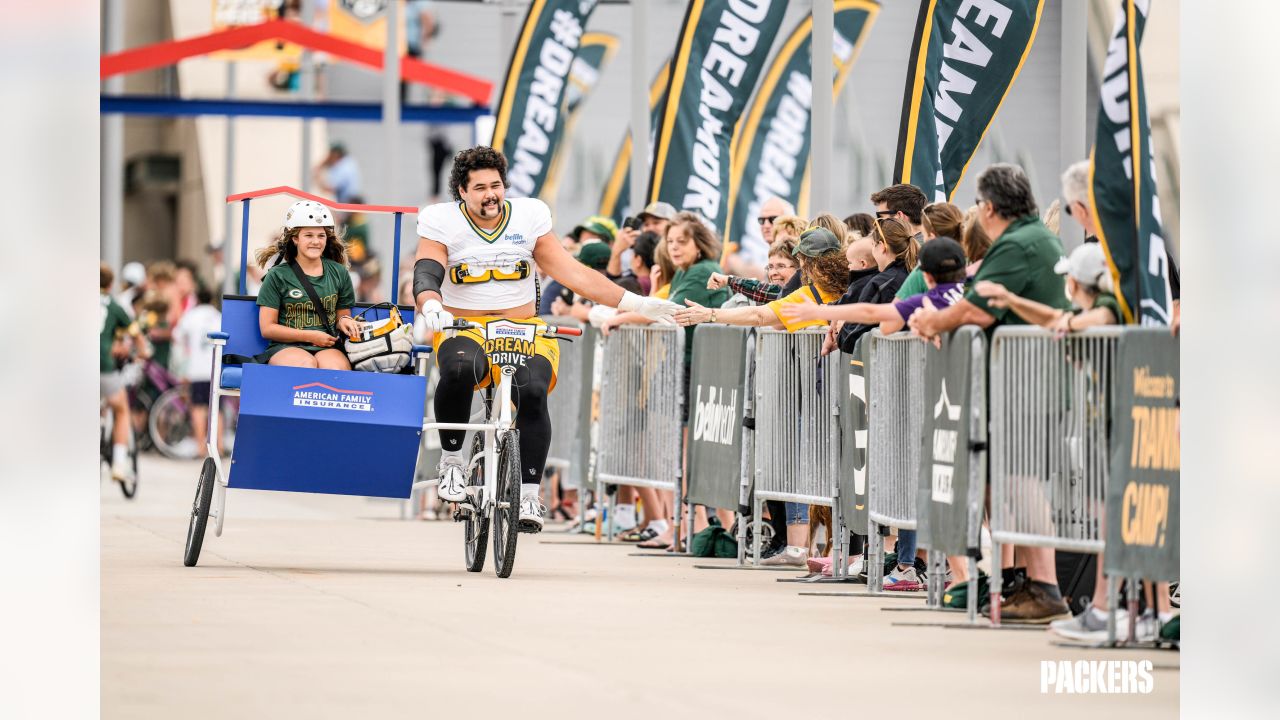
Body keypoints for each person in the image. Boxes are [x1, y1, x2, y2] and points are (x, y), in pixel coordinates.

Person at [412, 146, 678, 532]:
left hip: (521, 327)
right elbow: (427, 269)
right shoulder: (441, 220)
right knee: (457, 368)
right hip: (466, 325)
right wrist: (431, 303)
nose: (491, 194)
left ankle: (529, 495)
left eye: (497, 185)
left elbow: (575, 274)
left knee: (533, 389)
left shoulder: (529, 216)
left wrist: (638, 302)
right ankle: (452, 463)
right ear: (462, 193)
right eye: (481, 187)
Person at [908, 163, 1072, 624]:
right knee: (1010, 488)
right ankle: (1024, 581)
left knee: (1022, 488)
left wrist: (931, 321)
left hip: (1026, 384)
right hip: (1022, 382)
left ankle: (1044, 586)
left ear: (988, 207)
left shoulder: (1019, 243)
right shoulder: (1031, 238)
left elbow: (975, 309)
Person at [673, 227, 851, 567]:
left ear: (808, 263)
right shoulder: (852, 283)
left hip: (824, 394)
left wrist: (709, 315)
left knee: (808, 469)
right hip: (836, 392)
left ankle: (813, 549)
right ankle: (837, 552)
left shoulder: (815, 292)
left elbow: (761, 315)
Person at [782, 237, 967, 338]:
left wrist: (819, 312)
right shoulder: (973, 292)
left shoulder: (926, 301)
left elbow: (872, 314)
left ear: (924, 275)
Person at [253, 200, 359, 369]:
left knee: (336, 369)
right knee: (306, 365)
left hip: (327, 345)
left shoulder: (340, 273)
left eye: (321, 236)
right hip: (285, 347)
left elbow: (341, 316)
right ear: (295, 238)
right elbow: (267, 328)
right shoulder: (277, 275)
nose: (316, 241)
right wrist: (310, 336)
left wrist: (345, 322)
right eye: (309, 235)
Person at [831, 217, 916, 354]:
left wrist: (842, 329)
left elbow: (854, 336)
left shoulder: (882, 282)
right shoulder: (913, 272)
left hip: (889, 362)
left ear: (882, 247)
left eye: (873, 246)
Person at [100, 263, 150, 485]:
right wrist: (143, 352)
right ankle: (119, 463)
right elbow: (137, 337)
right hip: (104, 368)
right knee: (121, 410)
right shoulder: (114, 306)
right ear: (110, 285)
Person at [173, 286, 224, 458]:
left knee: (198, 408)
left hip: (197, 369)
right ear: (212, 299)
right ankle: (219, 446)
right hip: (215, 368)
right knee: (217, 409)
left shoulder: (191, 316)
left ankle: (200, 447)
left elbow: (176, 335)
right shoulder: (218, 316)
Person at [704, 225, 800, 304]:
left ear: (799, 267)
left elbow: (758, 315)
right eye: (770, 267)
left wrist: (712, 315)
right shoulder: (778, 292)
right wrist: (728, 280)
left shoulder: (807, 293)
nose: (773, 273)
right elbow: (760, 289)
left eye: (781, 266)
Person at [896, 202, 964, 299]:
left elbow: (896, 307)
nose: (923, 239)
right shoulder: (978, 261)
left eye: (923, 234)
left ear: (932, 238)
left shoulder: (924, 270)